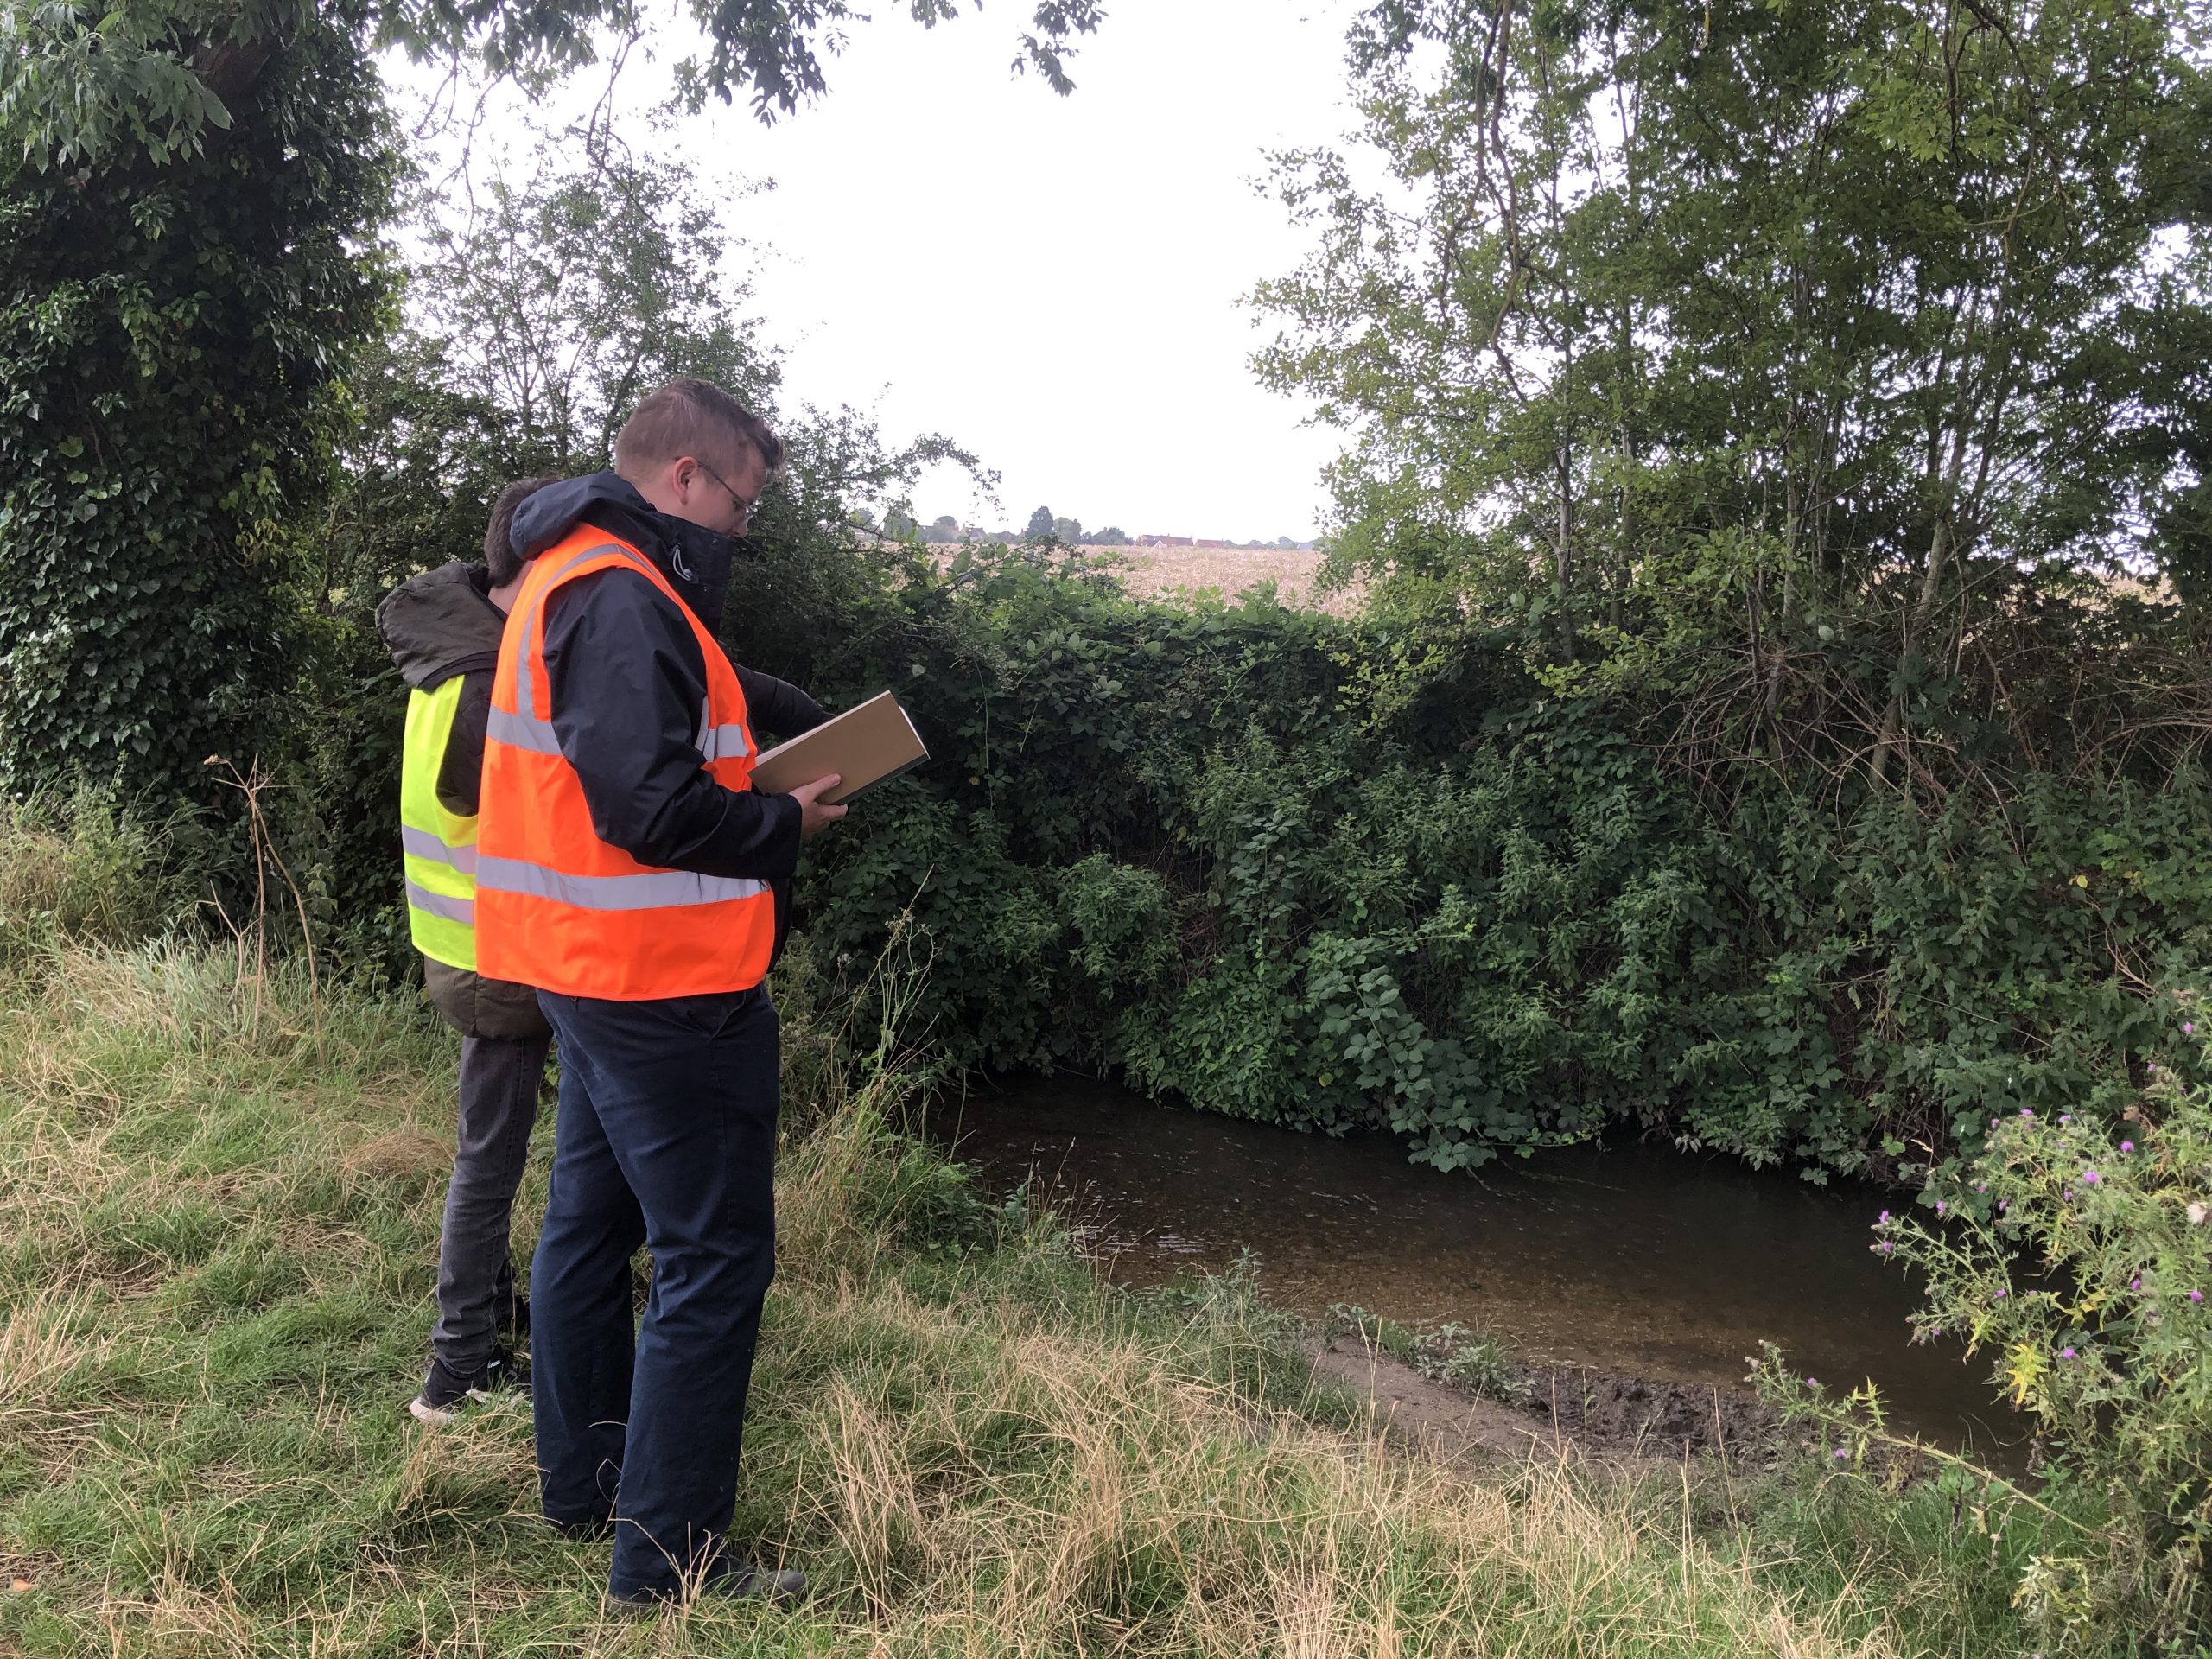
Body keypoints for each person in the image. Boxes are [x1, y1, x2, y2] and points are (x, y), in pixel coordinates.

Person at [473, 378, 846, 1610]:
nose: (744, 524)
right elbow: (649, 808)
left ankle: (587, 1492)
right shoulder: (622, 595)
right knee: (714, 1258)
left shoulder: (579, 575)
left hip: (589, 976)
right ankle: (669, 1561)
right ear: (685, 475)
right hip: (667, 992)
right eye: (744, 498)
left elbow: (693, 727)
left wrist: (813, 741)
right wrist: (784, 819)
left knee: (589, 1224)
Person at [378, 475, 561, 1425]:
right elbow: (514, 816)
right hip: (496, 955)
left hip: (463, 943)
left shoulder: (456, 647)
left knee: (485, 1153)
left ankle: (492, 1310)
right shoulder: (492, 681)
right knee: (488, 1162)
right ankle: (455, 1372)